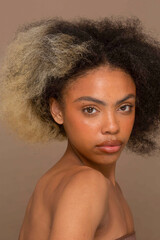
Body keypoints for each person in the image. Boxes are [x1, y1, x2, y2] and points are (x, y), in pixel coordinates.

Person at [0, 16, 160, 240]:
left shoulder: (70, 182)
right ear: (57, 110)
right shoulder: (86, 185)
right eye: (90, 109)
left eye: (124, 107)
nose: (112, 126)